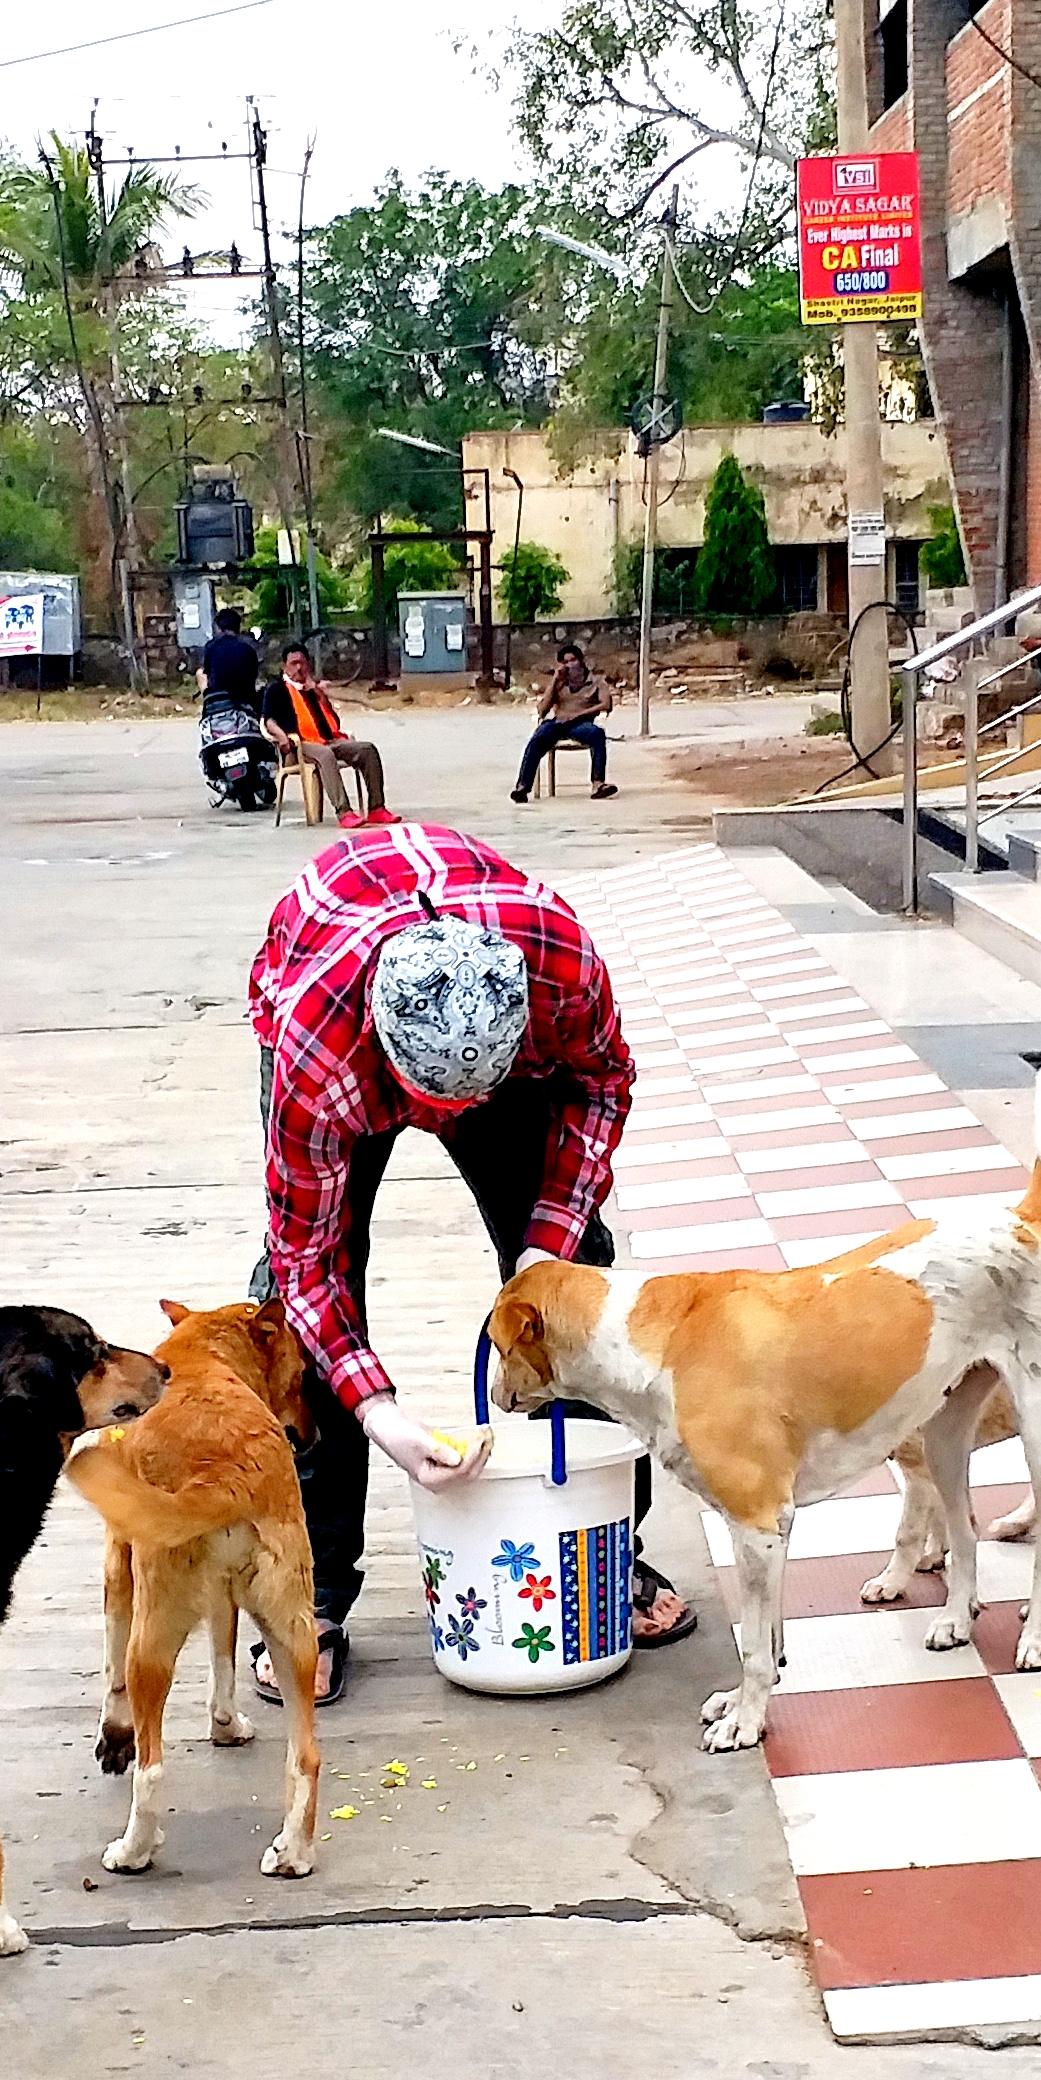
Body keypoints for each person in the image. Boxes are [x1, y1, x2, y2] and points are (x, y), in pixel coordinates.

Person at [247, 820, 691, 1701]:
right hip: (327, 972)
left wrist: (547, 1242)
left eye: (471, 1101)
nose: (453, 1119)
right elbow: (310, 1264)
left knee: (579, 1280)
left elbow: (603, 1083)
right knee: (284, 1321)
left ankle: (604, 1547)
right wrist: (379, 1412)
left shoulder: (557, 962)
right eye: (433, 1105)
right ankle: (311, 1593)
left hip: (500, 1025)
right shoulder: (320, 1053)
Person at [270, 642, 387, 822]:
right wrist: (281, 737)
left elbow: (333, 720)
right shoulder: (276, 689)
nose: (299, 668)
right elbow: (268, 720)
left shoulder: (312, 688)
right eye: (294, 663)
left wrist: (318, 693)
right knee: (325, 755)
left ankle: (376, 808)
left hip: (328, 740)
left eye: (302, 663)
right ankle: (344, 812)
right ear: (284, 666)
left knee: (367, 750)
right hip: (299, 746)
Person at [517, 642, 617, 801]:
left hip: (580, 724)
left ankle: (598, 784)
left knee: (597, 734)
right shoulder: (559, 683)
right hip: (558, 723)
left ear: (581, 660)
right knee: (537, 739)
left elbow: (606, 705)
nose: (570, 665)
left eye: (573, 660)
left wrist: (578, 714)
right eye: (565, 662)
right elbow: (542, 710)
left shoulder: (597, 681)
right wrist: (554, 681)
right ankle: (523, 787)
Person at [198, 608, 267, 797]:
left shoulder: (211, 647)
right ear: (239, 627)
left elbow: (207, 672)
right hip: (245, 702)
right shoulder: (248, 648)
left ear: (219, 627)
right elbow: (253, 678)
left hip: (216, 703)